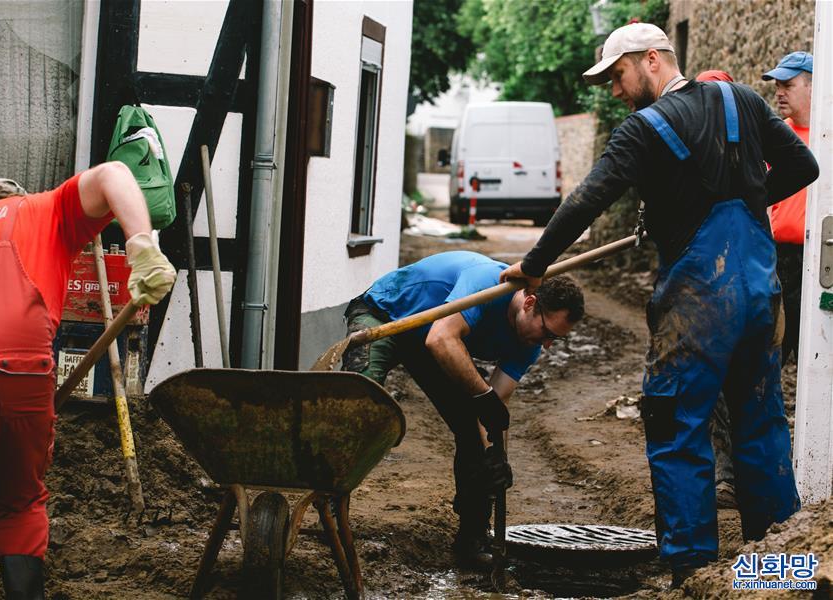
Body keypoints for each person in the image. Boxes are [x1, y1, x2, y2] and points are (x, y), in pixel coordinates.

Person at [499, 23, 818, 586]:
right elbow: (803, 166)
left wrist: (535, 264)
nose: (615, 92)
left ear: (651, 60)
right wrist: (745, 196)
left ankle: (693, 574)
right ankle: (777, 576)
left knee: (677, 422)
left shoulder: (643, 129)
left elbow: (586, 201)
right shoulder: (741, 99)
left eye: (618, 76)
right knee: (760, 422)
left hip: (699, 301)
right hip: (761, 292)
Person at [0, 162, 177, 599]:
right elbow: (114, 173)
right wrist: (141, 247)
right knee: (19, 506)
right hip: (15, 362)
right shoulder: (46, 208)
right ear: (18, 197)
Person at [341, 251, 584, 567]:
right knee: (360, 405)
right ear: (529, 304)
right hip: (385, 313)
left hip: (428, 336)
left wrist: (496, 457)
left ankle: (472, 539)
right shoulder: (484, 283)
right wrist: (484, 398)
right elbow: (441, 340)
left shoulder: (529, 343)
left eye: (556, 339)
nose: (548, 344)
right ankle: (331, 509)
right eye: (548, 333)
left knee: (473, 431)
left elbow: (494, 408)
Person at [695, 69, 738, 510]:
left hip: (748, 275)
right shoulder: (691, 151)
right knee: (716, 384)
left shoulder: (752, 148)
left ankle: (732, 478)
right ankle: (722, 478)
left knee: (742, 383)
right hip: (702, 283)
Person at [762, 51, 813, 365]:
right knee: (770, 352)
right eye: (776, 85)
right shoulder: (778, 136)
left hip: (818, 260)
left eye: (787, 85)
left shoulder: (828, 136)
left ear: (812, 86)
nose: (779, 92)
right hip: (777, 260)